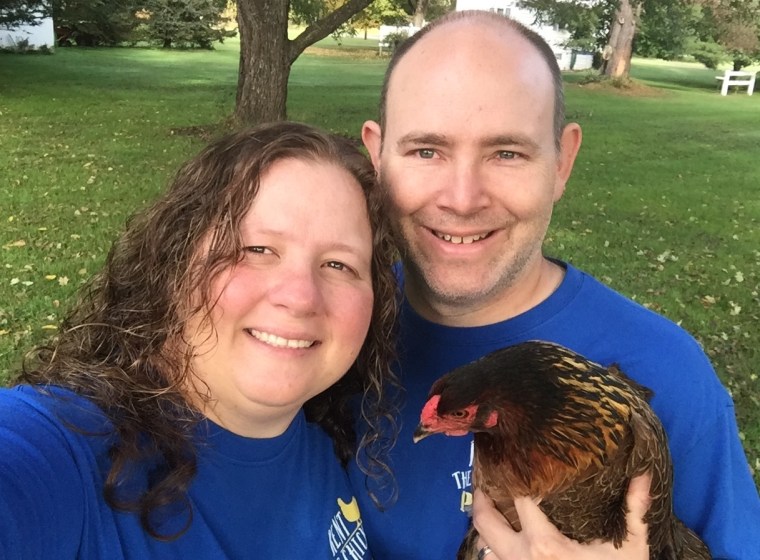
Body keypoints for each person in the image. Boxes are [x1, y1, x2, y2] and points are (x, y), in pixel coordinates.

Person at [347, 10, 760, 560]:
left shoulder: (667, 374)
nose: (462, 198)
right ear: (376, 156)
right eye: (427, 150)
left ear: (563, 161)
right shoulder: (323, 339)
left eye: (507, 153)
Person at [0, 121, 401, 559]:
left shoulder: (336, 444)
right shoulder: (72, 452)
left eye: (339, 265)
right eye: (257, 250)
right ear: (173, 263)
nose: (302, 296)